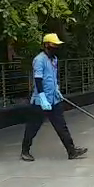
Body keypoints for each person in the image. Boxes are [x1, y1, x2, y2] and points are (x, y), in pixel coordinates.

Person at [21, 33, 88, 162]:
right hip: (40, 101)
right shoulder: (39, 60)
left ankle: (71, 150)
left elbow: (53, 77)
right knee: (33, 127)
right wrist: (42, 97)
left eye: (57, 45)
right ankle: (25, 151)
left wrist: (56, 88)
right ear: (46, 45)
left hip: (54, 99)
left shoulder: (54, 59)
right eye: (54, 45)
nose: (56, 47)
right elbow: (38, 79)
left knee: (61, 126)